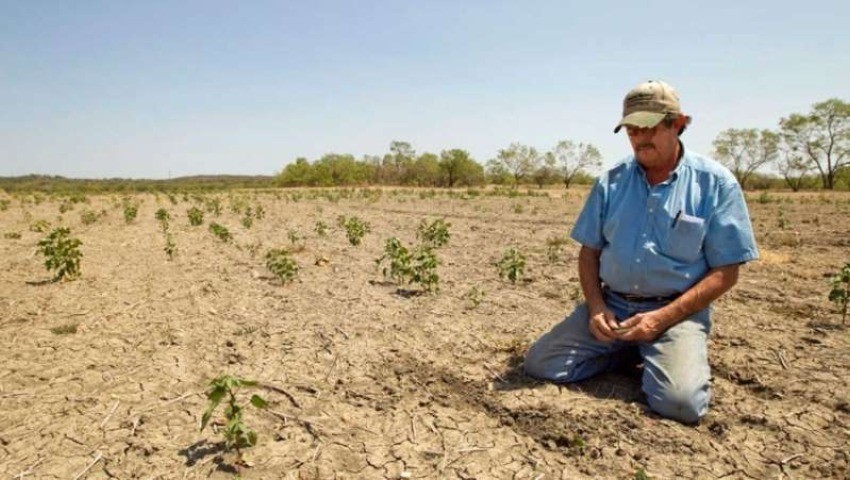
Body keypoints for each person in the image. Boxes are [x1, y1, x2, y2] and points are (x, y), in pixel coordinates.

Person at [524, 80, 758, 424]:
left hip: (674, 314)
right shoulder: (611, 182)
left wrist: (660, 320)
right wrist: (596, 307)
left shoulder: (715, 183)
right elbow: (589, 253)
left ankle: (659, 352)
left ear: (677, 124)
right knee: (541, 364)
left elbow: (727, 272)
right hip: (613, 307)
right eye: (631, 129)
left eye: (649, 127)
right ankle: (625, 349)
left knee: (681, 404)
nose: (639, 137)